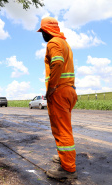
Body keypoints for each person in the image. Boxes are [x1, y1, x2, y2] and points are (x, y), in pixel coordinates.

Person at [37, 17, 78, 179]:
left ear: (47, 31)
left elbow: (58, 63)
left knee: (62, 130)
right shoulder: (64, 43)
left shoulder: (53, 42)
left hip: (59, 91)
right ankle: (64, 158)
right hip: (69, 90)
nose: (42, 35)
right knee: (63, 127)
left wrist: (52, 87)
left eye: (42, 32)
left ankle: (68, 169)